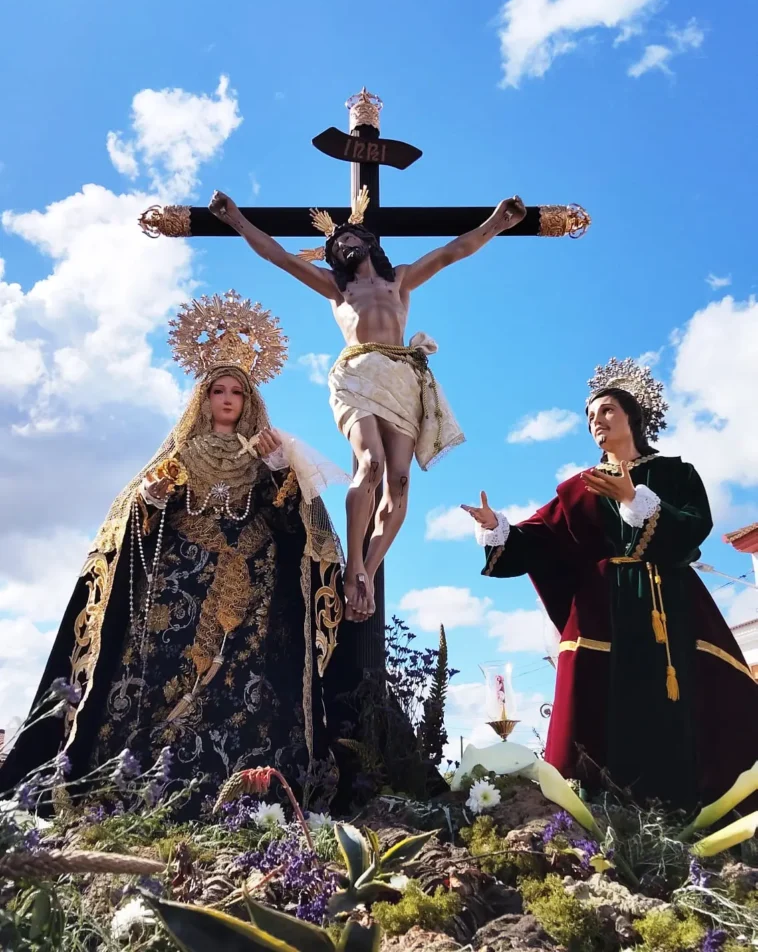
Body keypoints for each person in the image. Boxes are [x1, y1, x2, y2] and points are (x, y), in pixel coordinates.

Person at [0, 292, 350, 812]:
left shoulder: (266, 457)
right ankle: (140, 790)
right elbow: (133, 524)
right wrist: (151, 502)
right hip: (178, 594)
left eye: (237, 392)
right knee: (171, 683)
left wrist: (282, 474)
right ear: (204, 397)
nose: (227, 399)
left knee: (239, 691)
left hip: (252, 602)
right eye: (218, 390)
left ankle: (240, 795)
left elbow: (295, 528)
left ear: (249, 401)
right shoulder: (178, 454)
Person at [208, 187, 527, 621]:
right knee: (370, 464)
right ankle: (353, 559)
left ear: (368, 241)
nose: (339, 245)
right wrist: (237, 220)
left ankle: (365, 572)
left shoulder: (401, 278)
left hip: (401, 376)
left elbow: (453, 251)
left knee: (398, 480)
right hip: (357, 373)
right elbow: (279, 256)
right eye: (334, 244)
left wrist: (497, 223)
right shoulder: (336, 289)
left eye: (347, 238)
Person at [463, 357, 758, 810]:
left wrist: (634, 499)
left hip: (669, 605)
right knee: (597, 701)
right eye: (589, 417)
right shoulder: (581, 487)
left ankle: (687, 807)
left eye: (605, 411)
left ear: (632, 417)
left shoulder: (675, 474)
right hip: (602, 610)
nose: (595, 422)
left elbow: (695, 525)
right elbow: (539, 539)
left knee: (687, 699)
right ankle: (600, 811)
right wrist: (498, 528)